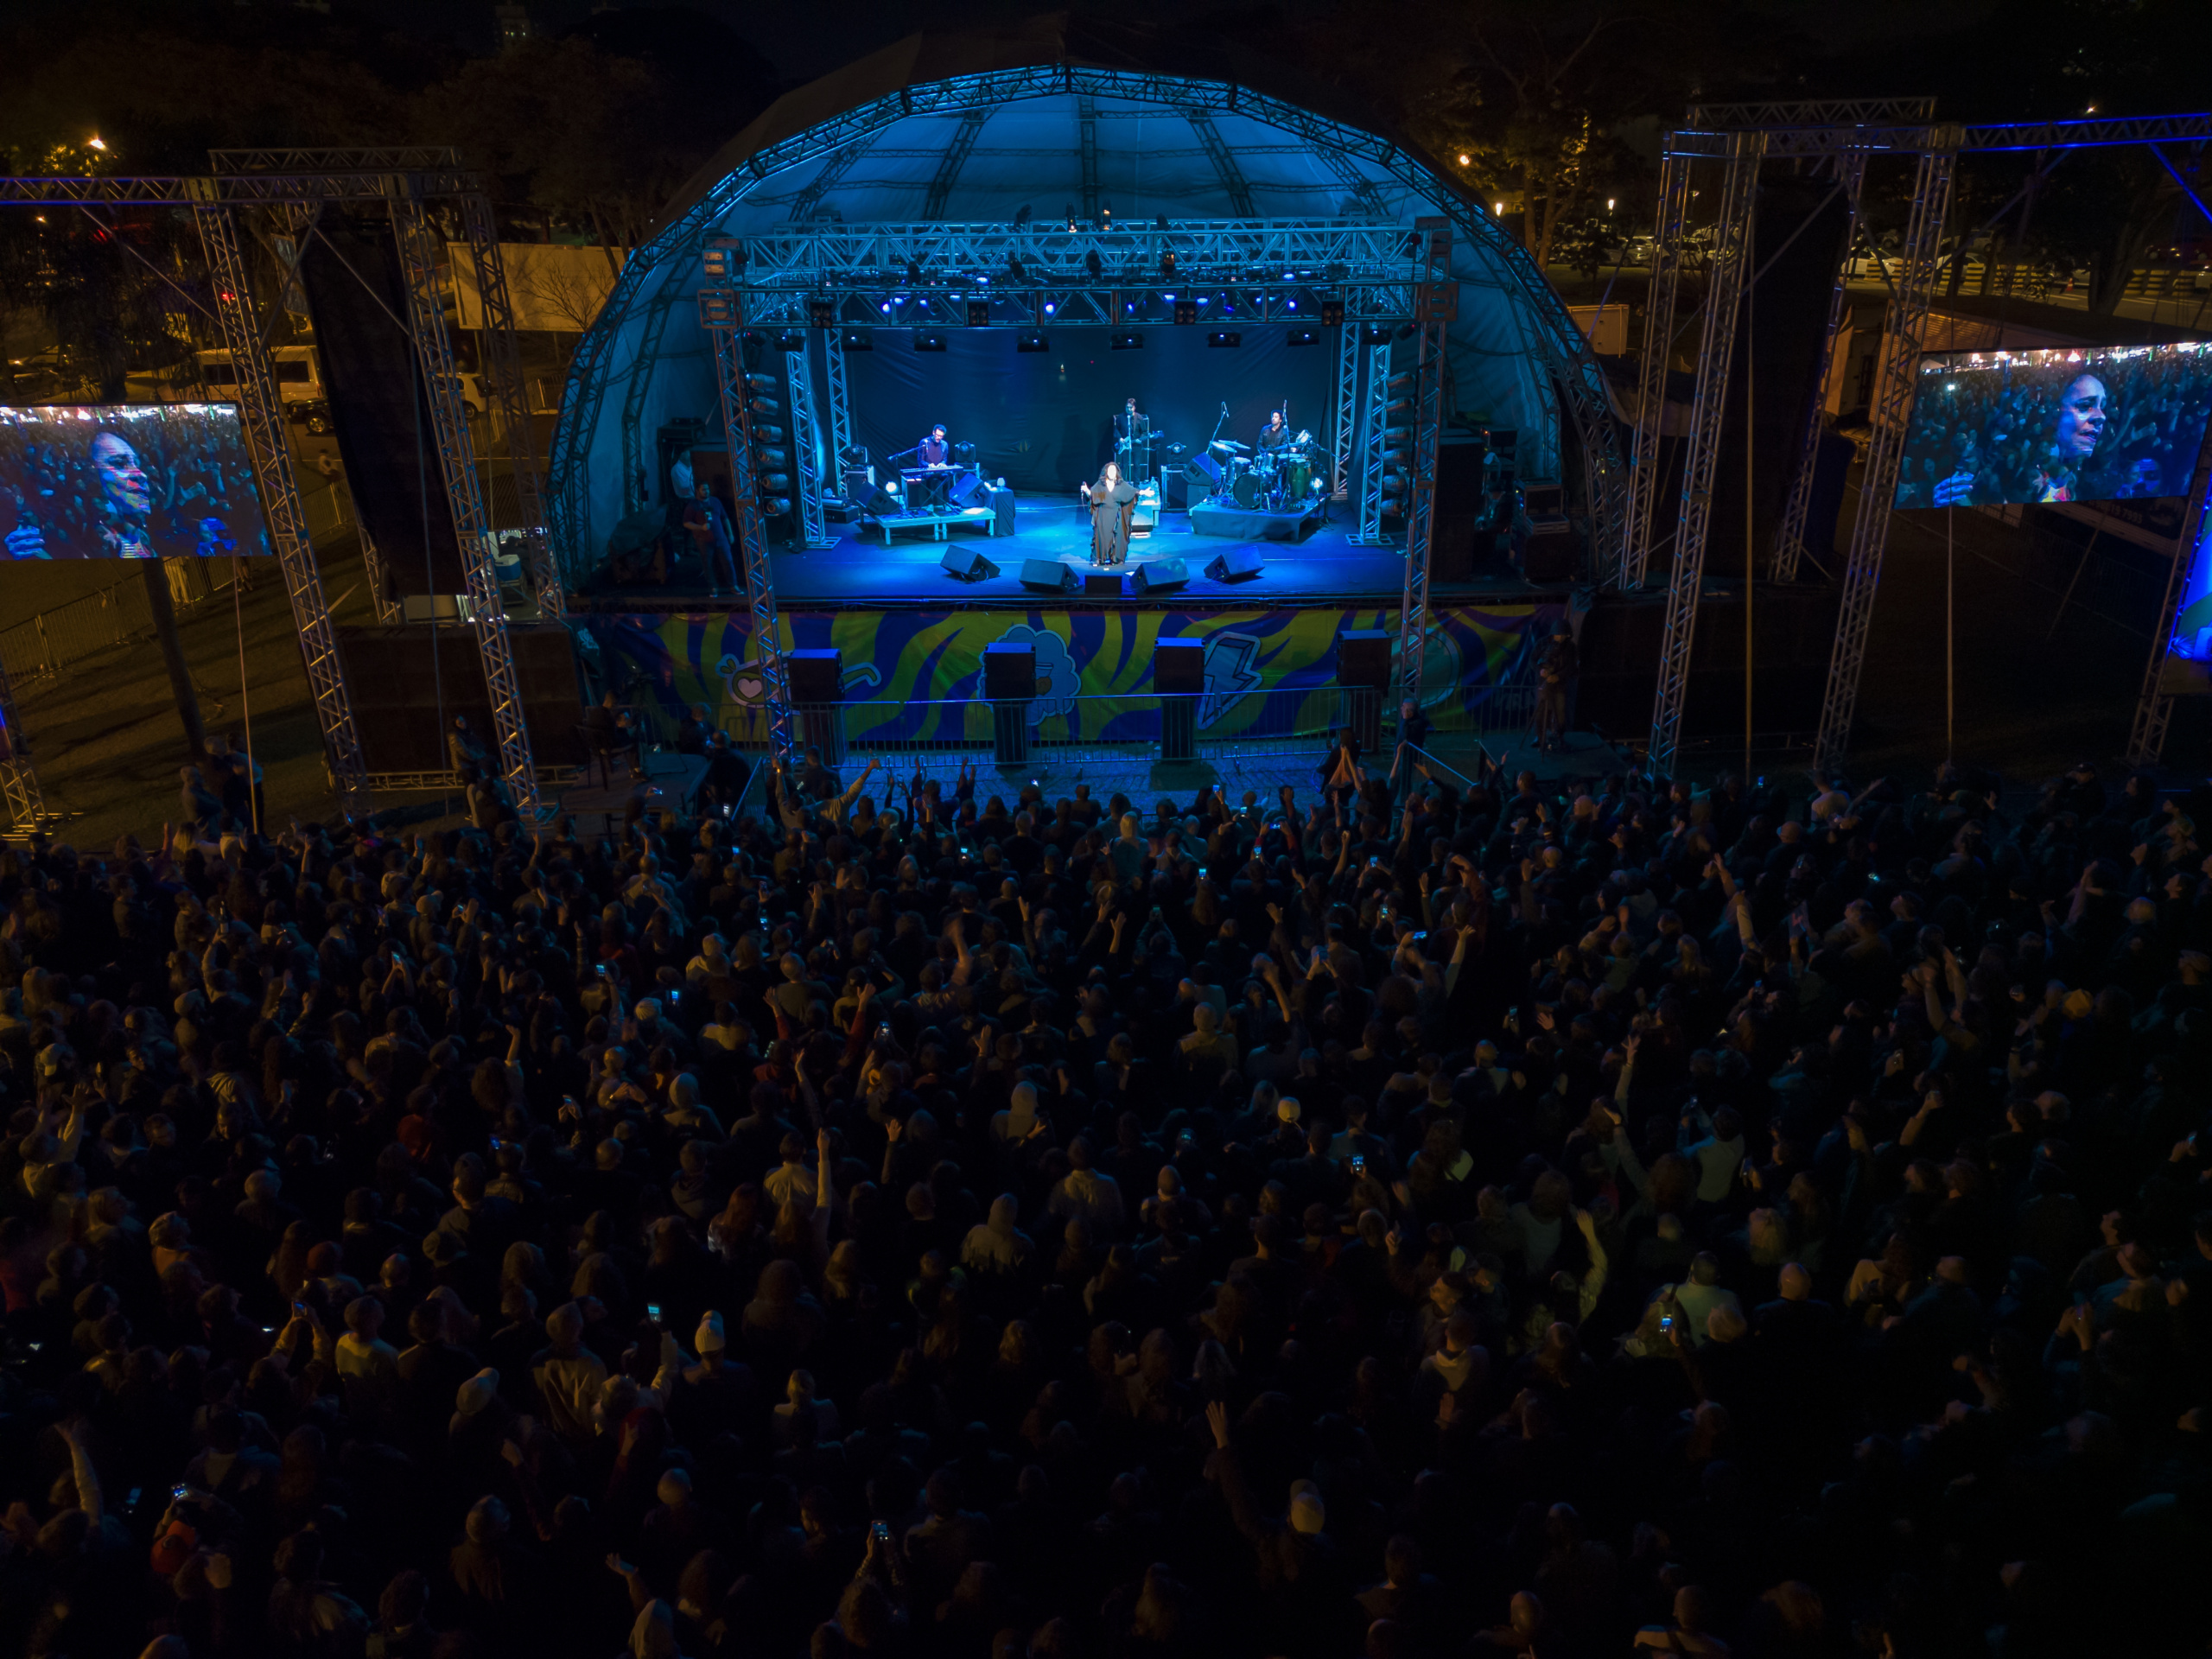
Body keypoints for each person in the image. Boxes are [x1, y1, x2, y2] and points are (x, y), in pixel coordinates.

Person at [683, 478, 739, 598]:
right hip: (704, 540)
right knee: (707, 564)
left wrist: (730, 534)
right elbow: (686, 523)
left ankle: (733, 585)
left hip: (721, 538)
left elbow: (725, 518)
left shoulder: (715, 501)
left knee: (728, 561)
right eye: (703, 490)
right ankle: (713, 587)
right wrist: (700, 527)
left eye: (707, 489)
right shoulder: (693, 505)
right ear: (697, 491)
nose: (706, 492)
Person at [1079, 460, 1138, 567]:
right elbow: (1094, 495)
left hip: (1117, 516)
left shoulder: (1121, 484)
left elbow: (1132, 492)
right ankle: (1099, 558)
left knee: (1118, 536)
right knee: (1101, 536)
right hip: (1103, 516)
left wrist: (1143, 492)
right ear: (1106, 472)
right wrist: (1087, 490)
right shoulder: (1100, 484)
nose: (1112, 473)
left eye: (1114, 471)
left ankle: (1116, 559)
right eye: (1110, 471)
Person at [1533, 627, 1576, 753]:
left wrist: (1558, 676)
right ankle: (1540, 738)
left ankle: (1559, 737)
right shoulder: (1542, 643)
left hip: (1559, 686)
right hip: (1543, 684)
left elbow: (1571, 666)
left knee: (1560, 713)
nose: (1560, 638)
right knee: (1540, 712)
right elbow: (1533, 660)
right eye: (1558, 635)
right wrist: (1539, 670)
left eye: (1563, 635)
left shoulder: (1570, 647)